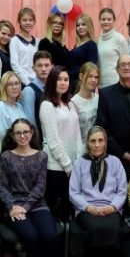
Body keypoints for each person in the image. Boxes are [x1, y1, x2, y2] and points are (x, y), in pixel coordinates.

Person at [0, 119, 62, 257]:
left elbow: (40, 187)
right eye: (18, 133)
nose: (22, 135)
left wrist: (25, 207)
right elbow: (3, 187)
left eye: (25, 132)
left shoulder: (41, 156)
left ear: (32, 133)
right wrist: (12, 207)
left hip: (37, 204)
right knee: (31, 236)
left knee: (49, 234)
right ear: (13, 136)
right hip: (13, 207)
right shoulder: (6, 157)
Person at [69, 126, 127, 257]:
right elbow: (73, 193)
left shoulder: (115, 162)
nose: (97, 145)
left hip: (111, 207)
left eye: (100, 140)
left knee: (114, 228)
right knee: (95, 228)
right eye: (93, 141)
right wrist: (89, 208)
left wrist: (113, 207)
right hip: (86, 208)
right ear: (87, 143)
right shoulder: (79, 163)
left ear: (105, 142)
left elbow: (122, 191)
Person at [39, 66, 83, 220]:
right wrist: (68, 166)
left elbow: (78, 134)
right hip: (57, 167)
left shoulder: (70, 104)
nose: (63, 83)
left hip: (73, 165)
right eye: (59, 79)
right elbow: (53, 141)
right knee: (59, 214)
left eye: (66, 79)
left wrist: (78, 160)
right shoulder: (47, 105)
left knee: (71, 210)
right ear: (52, 81)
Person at [0, 71, 26, 158]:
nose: (14, 87)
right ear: (4, 87)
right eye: (10, 84)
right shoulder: (0, 108)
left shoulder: (19, 106)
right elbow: (5, 137)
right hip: (7, 157)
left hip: (22, 153)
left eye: (16, 83)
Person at [20, 50, 53, 131]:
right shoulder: (29, 90)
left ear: (52, 67)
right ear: (33, 68)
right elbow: (30, 121)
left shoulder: (53, 88)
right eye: (39, 65)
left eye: (46, 65)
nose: (43, 69)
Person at [96, 7, 128, 87]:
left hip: (116, 83)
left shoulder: (120, 39)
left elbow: (125, 63)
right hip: (101, 83)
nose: (106, 22)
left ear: (114, 20)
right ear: (99, 21)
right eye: (103, 19)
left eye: (109, 19)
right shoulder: (98, 40)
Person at [68, 13, 99, 89]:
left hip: (82, 84)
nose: (80, 27)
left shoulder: (91, 45)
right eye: (78, 25)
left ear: (89, 26)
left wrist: (69, 73)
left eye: (83, 24)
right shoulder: (76, 45)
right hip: (72, 83)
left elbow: (91, 67)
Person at [10, 7, 38, 85]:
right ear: (19, 21)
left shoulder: (37, 41)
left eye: (30, 20)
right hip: (22, 81)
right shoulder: (15, 40)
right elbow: (14, 64)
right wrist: (27, 82)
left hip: (36, 80)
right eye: (24, 20)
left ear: (34, 22)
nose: (28, 23)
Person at [71, 62, 100, 140]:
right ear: (81, 76)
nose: (93, 80)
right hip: (81, 145)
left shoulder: (98, 99)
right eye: (90, 76)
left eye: (96, 77)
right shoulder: (73, 102)